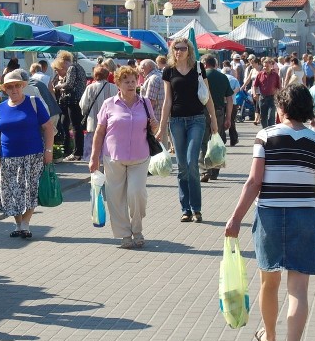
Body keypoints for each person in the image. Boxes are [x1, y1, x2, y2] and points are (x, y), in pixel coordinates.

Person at [225, 84, 315, 341]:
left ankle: (270, 338)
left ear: (281, 108)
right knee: (298, 290)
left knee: (268, 282)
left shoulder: (265, 136)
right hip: (304, 217)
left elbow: (254, 182)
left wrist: (235, 218)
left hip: (270, 215)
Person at [89, 66, 158, 248]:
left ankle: (137, 229)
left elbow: (154, 130)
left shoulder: (145, 103)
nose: (130, 84)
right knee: (116, 197)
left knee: (137, 193)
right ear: (118, 83)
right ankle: (125, 234)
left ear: (138, 82)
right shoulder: (109, 104)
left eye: (133, 81)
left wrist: (155, 125)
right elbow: (99, 131)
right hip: (113, 157)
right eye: (126, 81)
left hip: (140, 156)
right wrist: (94, 157)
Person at [0, 70, 54, 239]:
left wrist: (49, 150)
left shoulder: (33, 102)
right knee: (12, 193)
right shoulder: (1, 108)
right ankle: (18, 224)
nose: (14, 89)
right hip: (8, 158)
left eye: (17, 86)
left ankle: (25, 224)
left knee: (30, 191)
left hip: (32, 156)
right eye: (10, 87)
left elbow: (48, 128)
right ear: (5, 90)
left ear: (22, 86)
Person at [156, 38, 218, 223]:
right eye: (176, 48)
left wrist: (213, 119)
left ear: (189, 50)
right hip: (175, 121)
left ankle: (196, 208)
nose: (179, 52)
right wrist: (162, 126)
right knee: (182, 165)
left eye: (182, 48)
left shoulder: (198, 67)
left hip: (196, 119)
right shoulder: (168, 71)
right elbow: (167, 100)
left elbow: (207, 96)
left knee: (192, 162)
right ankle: (185, 209)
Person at [202, 56, 235, 181]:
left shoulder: (201, 76)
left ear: (204, 64)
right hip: (219, 112)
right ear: (215, 64)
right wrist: (229, 118)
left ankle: (205, 170)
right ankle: (215, 171)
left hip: (202, 111)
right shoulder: (223, 77)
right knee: (217, 141)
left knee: (203, 141)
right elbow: (230, 99)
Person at [52, 51, 86, 161]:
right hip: (78, 99)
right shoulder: (79, 67)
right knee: (76, 126)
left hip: (73, 100)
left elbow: (69, 84)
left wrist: (58, 86)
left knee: (75, 127)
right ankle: (77, 151)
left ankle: (77, 153)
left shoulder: (72, 67)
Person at [79, 65, 118, 144]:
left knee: (93, 147)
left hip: (94, 123)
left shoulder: (90, 88)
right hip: (110, 122)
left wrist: (85, 112)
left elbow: (83, 104)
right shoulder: (114, 87)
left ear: (95, 75)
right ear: (107, 75)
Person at [254, 58, 282, 128]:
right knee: (263, 117)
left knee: (271, 116)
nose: (265, 68)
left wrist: (280, 96)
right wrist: (254, 94)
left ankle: (271, 132)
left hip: (272, 98)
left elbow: (279, 87)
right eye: (264, 66)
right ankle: (264, 131)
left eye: (267, 66)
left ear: (271, 66)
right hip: (262, 98)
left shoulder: (275, 75)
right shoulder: (260, 74)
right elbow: (255, 85)